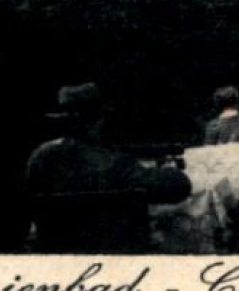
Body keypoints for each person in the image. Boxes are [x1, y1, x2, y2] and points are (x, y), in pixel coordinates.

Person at [26, 83, 192, 253]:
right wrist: (166, 169)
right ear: (99, 120)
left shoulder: (40, 157)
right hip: (117, 254)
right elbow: (179, 187)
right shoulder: (114, 164)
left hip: (58, 252)